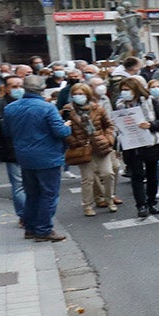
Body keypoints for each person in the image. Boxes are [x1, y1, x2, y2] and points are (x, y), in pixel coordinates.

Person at [6, 75, 72, 242]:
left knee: (32, 193)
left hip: (24, 155)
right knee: (49, 194)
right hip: (47, 156)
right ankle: (43, 229)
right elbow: (60, 132)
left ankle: (30, 227)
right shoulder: (47, 108)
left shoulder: (10, 108)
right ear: (42, 89)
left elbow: (7, 132)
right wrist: (67, 126)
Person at [113, 77, 159, 219]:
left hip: (150, 143)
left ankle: (151, 202)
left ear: (135, 90)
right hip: (131, 145)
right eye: (122, 90)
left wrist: (150, 125)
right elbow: (116, 127)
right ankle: (141, 205)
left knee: (152, 174)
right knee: (137, 175)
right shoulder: (120, 105)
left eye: (127, 90)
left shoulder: (150, 101)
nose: (124, 93)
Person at [59, 83, 116, 217]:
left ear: (88, 95)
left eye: (82, 94)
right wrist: (73, 141)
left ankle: (109, 199)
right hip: (82, 147)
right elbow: (62, 129)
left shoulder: (97, 108)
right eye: (76, 94)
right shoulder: (67, 111)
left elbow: (109, 125)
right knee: (88, 178)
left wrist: (108, 139)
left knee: (108, 173)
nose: (78, 97)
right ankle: (88, 205)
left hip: (100, 145)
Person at [0, 75, 30, 225]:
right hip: (11, 149)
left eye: (20, 85)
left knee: (31, 184)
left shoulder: (29, 102)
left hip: (31, 148)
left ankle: (29, 213)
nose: (18, 89)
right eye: (14, 86)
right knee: (19, 184)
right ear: (6, 89)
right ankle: (25, 215)